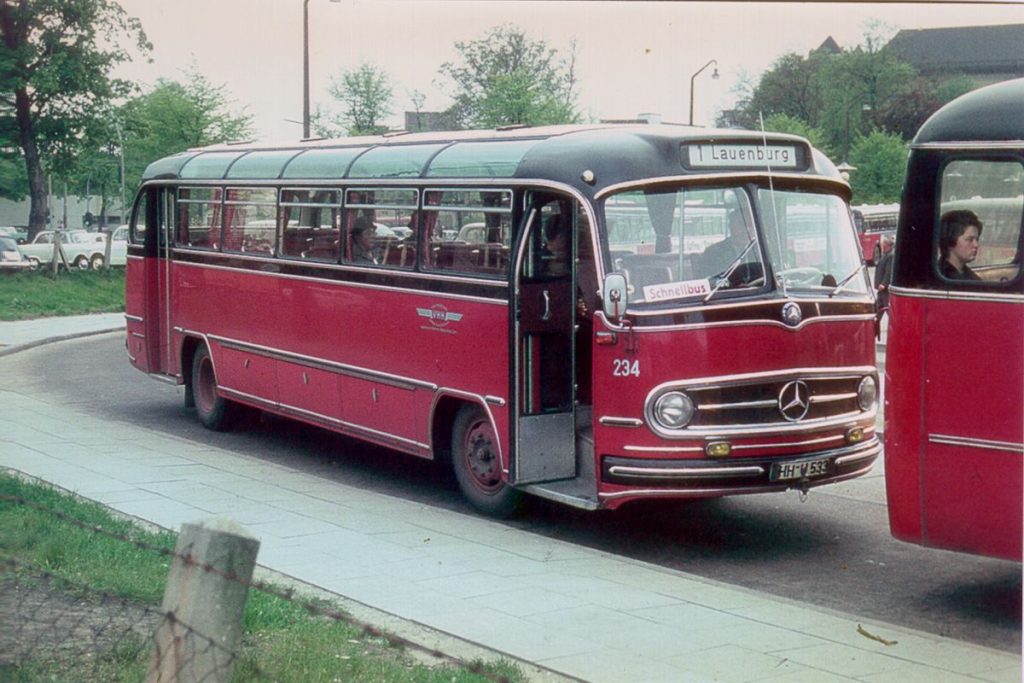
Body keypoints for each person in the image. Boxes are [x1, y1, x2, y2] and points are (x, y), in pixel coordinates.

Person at [701, 210, 755, 277]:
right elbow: (711, 280)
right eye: (741, 224)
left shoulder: (760, 251)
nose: (747, 229)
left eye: (750, 225)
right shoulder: (713, 252)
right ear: (731, 227)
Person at [938, 209, 982, 280]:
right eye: (969, 240)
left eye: (977, 240)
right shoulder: (940, 277)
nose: (976, 245)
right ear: (950, 240)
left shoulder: (972, 278)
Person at [874, 234, 895, 309]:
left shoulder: (891, 255)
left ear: (886, 244)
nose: (881, 244)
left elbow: (889, 271)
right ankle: (876, 320)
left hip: (885, 288)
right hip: (881, 288)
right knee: (878, 308)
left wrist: (883, 284)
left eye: (883, 243)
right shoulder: (885, 254)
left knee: (887, 307)